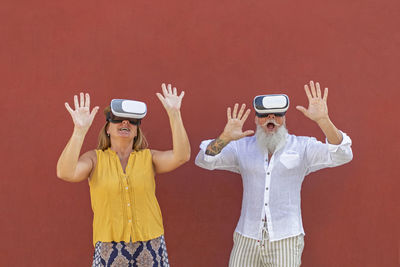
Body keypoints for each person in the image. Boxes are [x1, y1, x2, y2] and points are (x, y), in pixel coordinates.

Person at [195, 81, 353, 267]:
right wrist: (225, 137)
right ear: (256, 118)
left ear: (284, 118)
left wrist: (323, 121)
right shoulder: (242, 147)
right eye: (264, 115)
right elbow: (205, 160)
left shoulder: (302, 147)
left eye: (278, 114)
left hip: (286, 238)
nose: (271, 119)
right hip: (247, 237)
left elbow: (342, 155)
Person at [56, 83, 190, 267]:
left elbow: (182, 156)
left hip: (151, 243)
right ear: (108, 128)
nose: (125, 123)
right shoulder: (95, 159)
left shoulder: (148, 158)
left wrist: (175, 114)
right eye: (118, 119)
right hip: (109, 247)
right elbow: (65, 172)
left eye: (132, 121)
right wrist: (79, 131)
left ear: (136, 131)